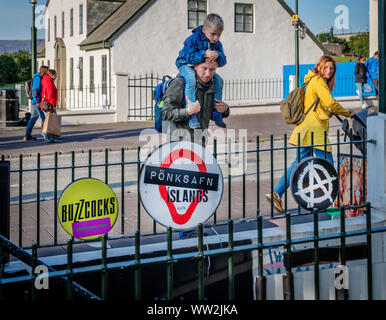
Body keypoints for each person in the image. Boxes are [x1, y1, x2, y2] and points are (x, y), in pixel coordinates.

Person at [266, 55, 353, 213]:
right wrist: (348, 113)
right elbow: (330, 102)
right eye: (325, 67)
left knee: (299, 163)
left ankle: (276, 193)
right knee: (328, 165)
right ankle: (334, 202)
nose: (328, 71)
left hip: (304, 129)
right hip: (315, 131)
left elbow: (315, 106)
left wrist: (327, 112)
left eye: (331, 68)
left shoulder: (310, 80)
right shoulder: (319, 81)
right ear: (319, 67)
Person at [162, 59, 230, 238]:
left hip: (199, 144)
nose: (208, 73)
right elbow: (166, 113)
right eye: (204, 69)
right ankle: (185, 231)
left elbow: (214, 113)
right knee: (184, 190)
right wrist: (187, 112)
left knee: (196, 189)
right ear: (194, 67)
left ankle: (191, 225)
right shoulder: (180, 83)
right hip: (179, 144)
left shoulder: (212, 85)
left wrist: (225, 109)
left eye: (212, 70)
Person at [176, 13, 227, 129]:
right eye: (213, 34)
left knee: (219, 80)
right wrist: (204, 54)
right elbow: (189, 57)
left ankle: (216, 109)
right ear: (204, 30)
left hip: (201, 67)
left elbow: (223, 62)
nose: (216, 38)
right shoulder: (193, 39)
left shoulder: (217, 44)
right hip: (185, 64)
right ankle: (192, 113)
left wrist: (218, 55)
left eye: (219, 35)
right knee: (191, 79)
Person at [24, 65, 49, 140]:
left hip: (35, 102)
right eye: (47, 70)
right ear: (44, 71)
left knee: (33, 118)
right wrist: (38, 101)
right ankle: (47, 135)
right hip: (37, 102)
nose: (48, 72)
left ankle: (27, 135)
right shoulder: (37, 78)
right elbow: (35, 91)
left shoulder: (39, 77)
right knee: (44, 118)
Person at [40, 69, 58, 143]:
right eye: (55, 75)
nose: (56, 76)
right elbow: (50, 94)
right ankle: (47, 136)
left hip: (46, 104)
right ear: (52, 75)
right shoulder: (49, 82)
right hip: (49, 105)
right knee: (50, 121)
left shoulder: (46, 80)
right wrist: (53, 105)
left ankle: (49, 136)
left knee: (48, 121)